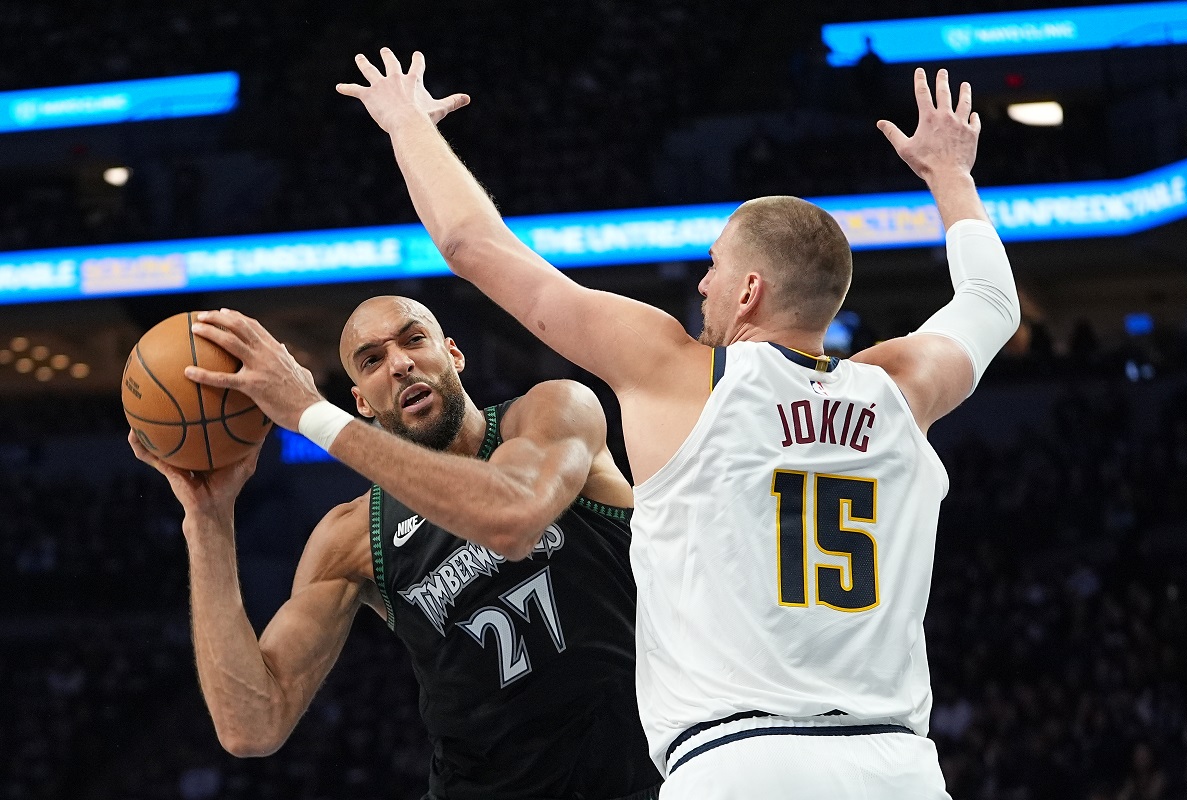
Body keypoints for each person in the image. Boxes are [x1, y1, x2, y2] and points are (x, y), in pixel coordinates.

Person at [335, 51, 1020, 798]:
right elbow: (991, 303)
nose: (702, 282)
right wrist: (951, 174)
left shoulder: (682, 375)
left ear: (751, 289)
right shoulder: (900, 388)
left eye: (714, 265)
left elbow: (474, 247)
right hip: (897, 767)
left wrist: (407, 125)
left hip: (737, 763)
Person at [129, 295, 663, 800]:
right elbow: (252, 724)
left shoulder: (552, 410)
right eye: (371, 360)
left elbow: (513, 517)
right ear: (361, 402)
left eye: (413, 340)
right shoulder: (353, 535)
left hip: (643, 777)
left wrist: (311, 414)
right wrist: (208, 521)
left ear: (452, 353)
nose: (400, 364)